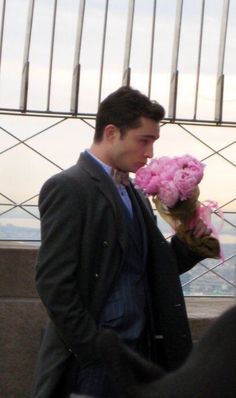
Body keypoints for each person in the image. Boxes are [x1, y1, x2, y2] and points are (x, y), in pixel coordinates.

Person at [31, 86, 211, 398]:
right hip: (95, 362)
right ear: (112, 132)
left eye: (154, 141)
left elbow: (148, 268)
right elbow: (52, 281)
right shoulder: (68, 187)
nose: (150, 153)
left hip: (140, 352)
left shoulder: (135, 192)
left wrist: (190, 241)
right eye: (144, 140)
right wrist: (93, 348)